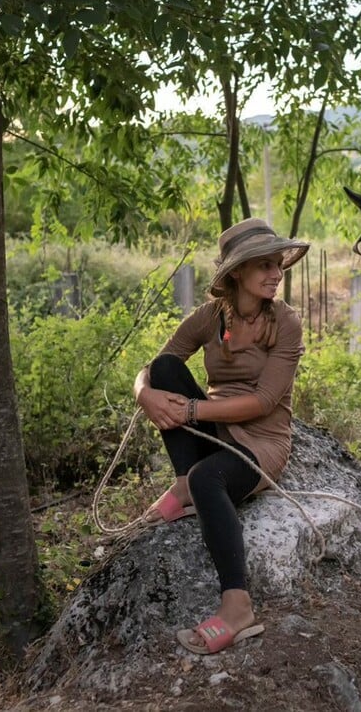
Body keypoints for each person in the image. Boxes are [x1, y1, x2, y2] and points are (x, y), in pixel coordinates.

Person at [133, 217, 309, 655]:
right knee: (166, 371)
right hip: (216, 428)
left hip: (261, 441)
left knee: (207, 478)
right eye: (264, 265)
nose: (276, 274)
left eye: (278, 264)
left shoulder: (285, 322)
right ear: (237, 272)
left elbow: (265, 400)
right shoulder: (212, 317)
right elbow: (156, 366)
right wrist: (144, 395)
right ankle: (182, 482)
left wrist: (190, 409)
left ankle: (237, 605)